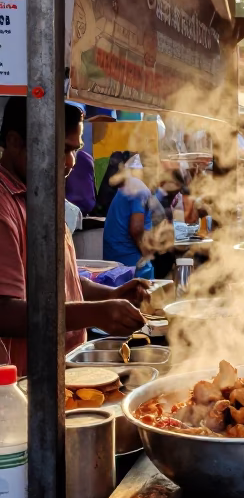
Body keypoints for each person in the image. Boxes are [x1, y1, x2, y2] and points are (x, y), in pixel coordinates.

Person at [0, 98, 147, 375]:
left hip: (65, 369)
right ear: (15, 141)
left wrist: (111, 294)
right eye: (61, 149)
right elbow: (5, 312)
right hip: (23, 383)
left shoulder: (40, 196)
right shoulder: (3, 205)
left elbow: (61, 279)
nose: (70, 162)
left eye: (75, 149)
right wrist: (97, 313)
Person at [103, 154, 155, 278]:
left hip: (115, 259)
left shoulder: (127, 187)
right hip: (131, 262)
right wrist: (147, 252)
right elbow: (136, 229)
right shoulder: (139, 189)